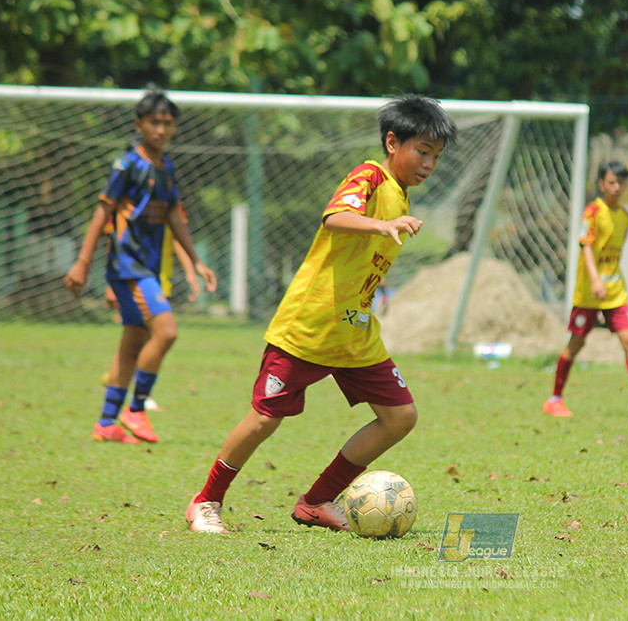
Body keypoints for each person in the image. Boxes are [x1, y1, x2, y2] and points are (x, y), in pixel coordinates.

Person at [184, 94, 457, 534]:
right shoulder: (370, 175)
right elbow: (335, 217)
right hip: (309, 326)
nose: (429, 163)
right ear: (392, 142)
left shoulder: (401, 197)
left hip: (354, 334)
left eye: (436, 156)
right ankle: (206, 501)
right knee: (263, 419)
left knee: (400, 416)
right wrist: (381, 226)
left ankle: (315, 502)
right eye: (422, 151)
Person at [63, 87, 216, 444]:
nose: (161, 129)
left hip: (146, 265)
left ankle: (106, 423)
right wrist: (83, 262)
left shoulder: (166, 166)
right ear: (139, 124)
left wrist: (196, 261)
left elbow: (175, 217)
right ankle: (136, 409)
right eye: (154, 122)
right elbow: (103, 209)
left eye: (167, 123)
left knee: (134, 340)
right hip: (127, 264)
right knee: (166, 332)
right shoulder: (127, 164)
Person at [543, 161, 628, 419]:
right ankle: (554, 398)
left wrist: (606, 280)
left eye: (621, 183)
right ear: (602, 185)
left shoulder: (625, 217)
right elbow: (586, 247)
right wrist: (594, 280)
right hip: (589, 292)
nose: (617, 187)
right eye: (611, 182)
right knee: (576, 343)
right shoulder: (592, 212)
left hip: (615, 291)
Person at [101, 202, 201, 411]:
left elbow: (177, 239)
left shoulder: (169, 200)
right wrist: (110, 283)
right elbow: (114, 238)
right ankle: (136, 400)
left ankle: (119, 402)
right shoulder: (130, 198)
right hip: (134, 277)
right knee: (146, 336)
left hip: (160, 279)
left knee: (143, 337)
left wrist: (191, 272)